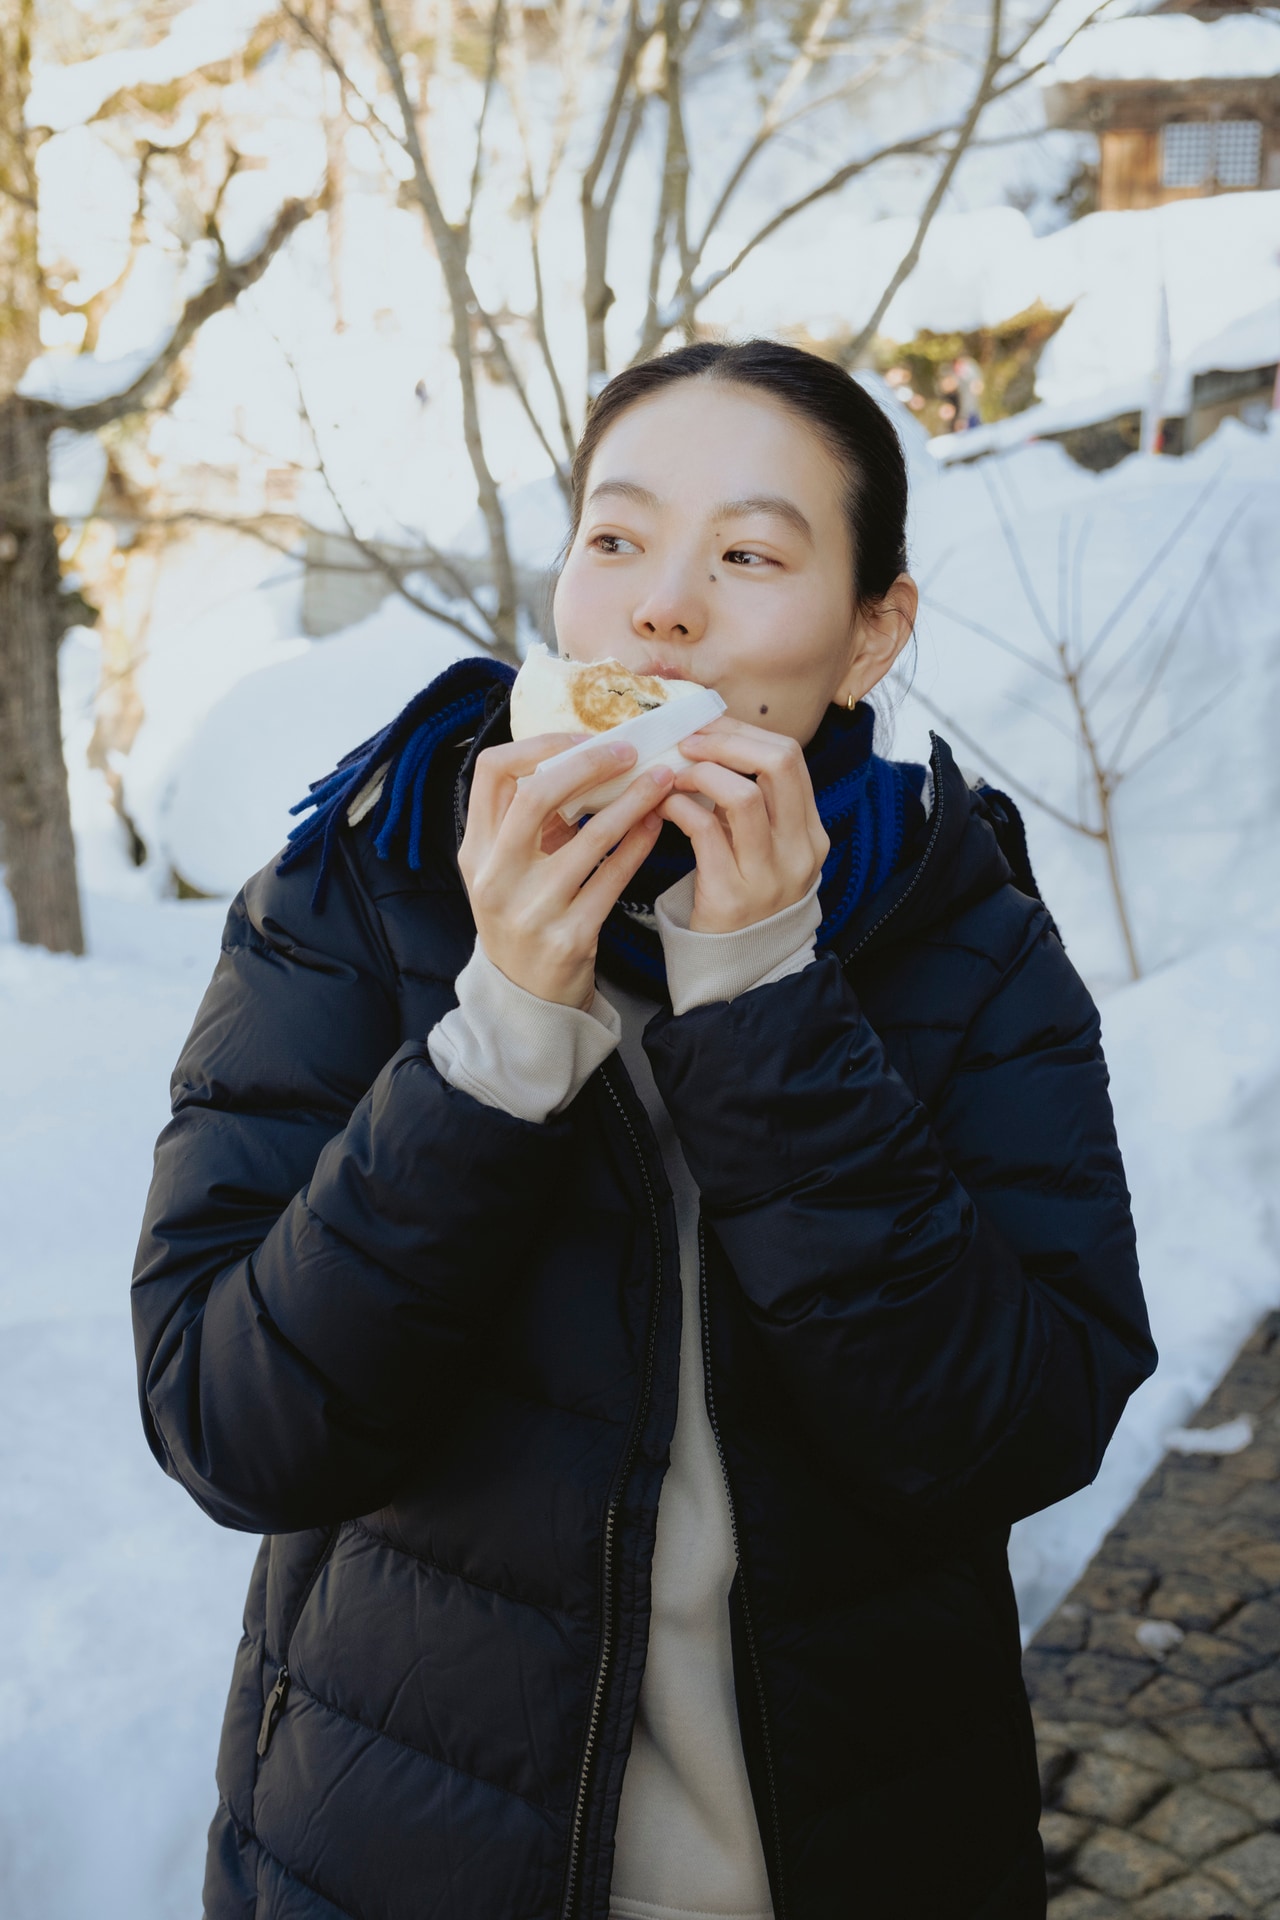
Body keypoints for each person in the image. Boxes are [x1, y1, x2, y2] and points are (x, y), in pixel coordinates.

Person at [132, 340, 1155, 1920]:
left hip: (865, 1846)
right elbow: (236, 1428)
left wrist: (767, 1003)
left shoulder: (968, 938)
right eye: (615, 540)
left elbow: (1010, 1438)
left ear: (871, 633)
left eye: (748, 556)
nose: (662, 612)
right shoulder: (360, 893)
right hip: (401, 1849)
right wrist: (497, 1034)